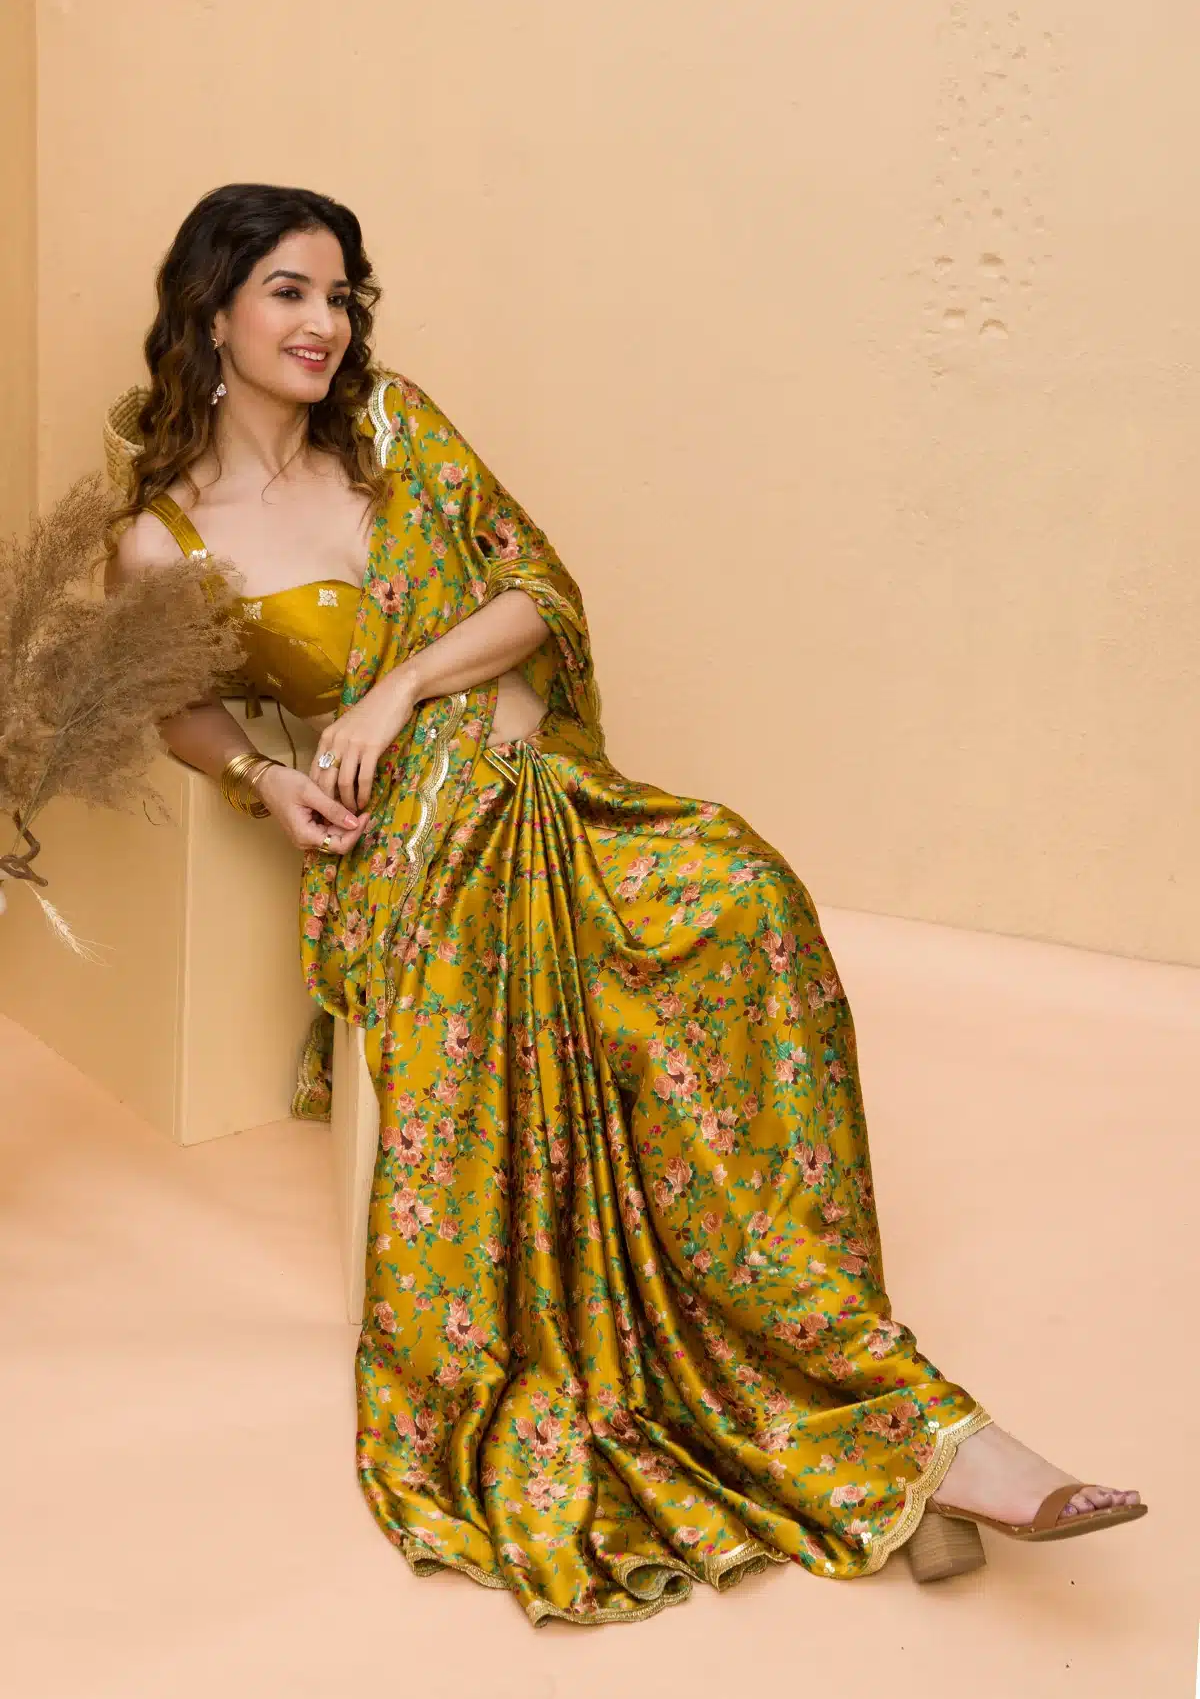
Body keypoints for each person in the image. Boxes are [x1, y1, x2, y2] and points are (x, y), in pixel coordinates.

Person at [105, 183, 1144, 1627]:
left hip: (554, 798)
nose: (324, 323)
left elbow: (536, 590)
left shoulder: (395, 431)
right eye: (288, 291)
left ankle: (872, 1426)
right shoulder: (161, 540)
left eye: (340, 295)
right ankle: (914, 1448)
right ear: (211, 308)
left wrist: (400, 686)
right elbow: (173, 709)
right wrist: (264, 783)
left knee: (746, 901)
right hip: (411, 858)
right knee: (602, 989)